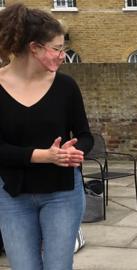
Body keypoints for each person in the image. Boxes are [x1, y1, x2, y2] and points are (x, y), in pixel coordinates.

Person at [0, 3, 93, 270]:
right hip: (12, 195)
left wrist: (76, 151)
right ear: (34, 48)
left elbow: (84, 135)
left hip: (63, 194)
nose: (62, 55)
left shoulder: (66, 86)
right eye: (57, 48)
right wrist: (45, 156)